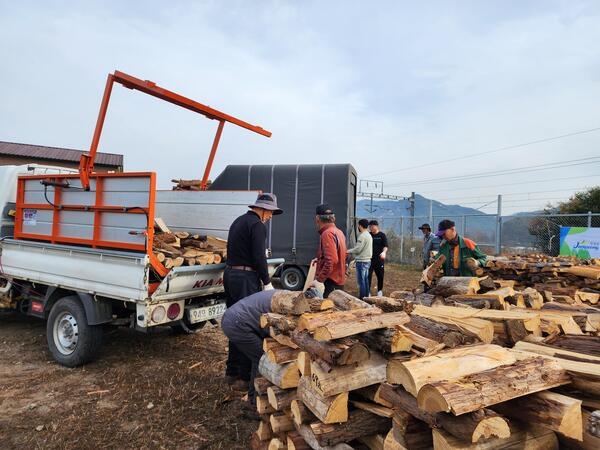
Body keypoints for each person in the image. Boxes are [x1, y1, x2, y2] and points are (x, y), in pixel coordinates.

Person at [221, 287, 323, 419]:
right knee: (262, 358)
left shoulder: (290, 297)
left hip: (235, 318)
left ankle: (250, 389)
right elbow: (279, 331)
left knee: (258, 355)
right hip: (236, 323)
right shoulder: (287, 304)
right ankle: (253, 404)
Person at [223, 193, 283, 391]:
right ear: (263, 209)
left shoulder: (239, 221)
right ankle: (243, 377)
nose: (271, 216)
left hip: (231, 275)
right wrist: (267, 282)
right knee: (246, 325)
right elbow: (259, 257)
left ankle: (231, 372)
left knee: (235, 320)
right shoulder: (257, 225)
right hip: (246, 278)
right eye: (271, 212)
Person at [311, 204, 347, 298]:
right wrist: (320, 259)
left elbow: (331, 261)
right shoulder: (339, 232)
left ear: (317, 218)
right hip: (338, 280)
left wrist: (319, 280)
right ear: (332, 218)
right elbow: (342, 255)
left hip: (330, 283)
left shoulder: (327, 234)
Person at [347, 219, 372, 299]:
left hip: (362, 261)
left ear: (360, 226)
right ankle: (367, 296)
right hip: (367, 261)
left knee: (361, 282)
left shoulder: (362, 236)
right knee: (366, 280)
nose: (358, 226)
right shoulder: (368, 235)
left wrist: (347, 251)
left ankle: (362, 298)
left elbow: (358, 249)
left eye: (358, 225)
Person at [368, 220, 388, 297]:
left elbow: (385, 246)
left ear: (376, 226)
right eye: (370, 227)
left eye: (372, 226)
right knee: (368, 276)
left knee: (380, 276)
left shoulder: (382, 235)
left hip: (379, 260)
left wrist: (384, 252)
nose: (371, 228)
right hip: (369, 259)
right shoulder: (369, 235)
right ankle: (368, 291)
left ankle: (379, 291)